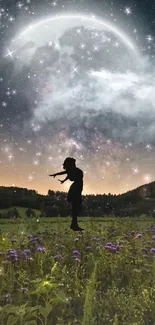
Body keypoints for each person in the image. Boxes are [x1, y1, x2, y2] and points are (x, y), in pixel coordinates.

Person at [49, 157, 84, 231]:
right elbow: (66, 173)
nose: (75, 164)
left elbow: (66, 174)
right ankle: (74, 225)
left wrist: (63, 179)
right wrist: (59, 176)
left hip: (77, 187)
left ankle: (74, 224)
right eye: (73, 163)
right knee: (76, 206)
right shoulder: (74, 171)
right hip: (76, 188)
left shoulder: (74, 171)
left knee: (76, 207)